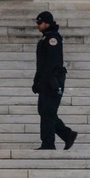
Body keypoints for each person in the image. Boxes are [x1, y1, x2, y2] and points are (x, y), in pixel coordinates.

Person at [32, 11, 78, 150]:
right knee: (45, 111)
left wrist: (51, 82)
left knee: (48, 112)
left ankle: (48, 143)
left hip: (52, 82)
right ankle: (66, 134)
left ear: (47, 23)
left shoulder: (53, 38)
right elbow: (41, 64)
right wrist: (37, 81)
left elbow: (52, 63)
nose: (38, 26)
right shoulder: (46, 38)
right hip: (46, 81)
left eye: (40, 23)